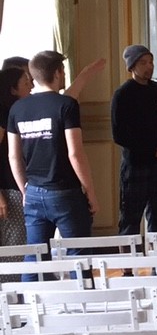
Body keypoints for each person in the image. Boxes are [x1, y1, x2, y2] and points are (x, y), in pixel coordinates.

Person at [8, 49, 99, 246]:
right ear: (57, 73)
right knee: (78, 253)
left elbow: (14, 156)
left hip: (33, 191)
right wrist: (90, 191)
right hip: (65, 192)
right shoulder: (67, 105)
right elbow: (75, 153)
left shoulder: (17, 108)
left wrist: (25, 191)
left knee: (36, 255)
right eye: (63, 70)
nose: (64, 75)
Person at [110, 44, 157, 236]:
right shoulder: (123, 94)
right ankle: (129, 256)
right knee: (130, 217)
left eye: (151, 62)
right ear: (132, 66)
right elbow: (120, 135)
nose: (149, 67)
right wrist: (154, 152)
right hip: (136, 166)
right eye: (143, 63)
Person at [0, 63, 32, 246]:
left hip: (15, 187)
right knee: (14, 244)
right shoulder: (3, 114)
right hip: (8, 189)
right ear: (13, 89)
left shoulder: (18, 112)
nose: (32, 86)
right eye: (26, 83)